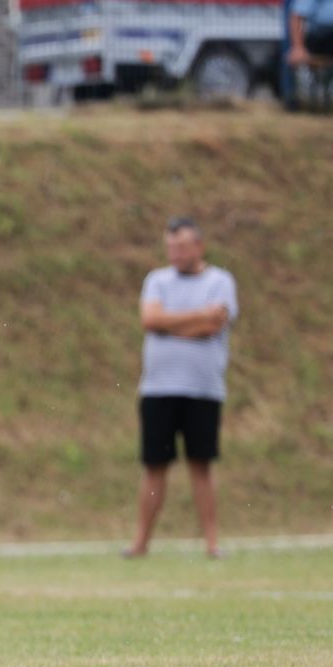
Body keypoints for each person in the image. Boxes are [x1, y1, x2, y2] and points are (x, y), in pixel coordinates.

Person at [125, 219, 238, 560]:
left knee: (201, 464)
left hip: (203, 390)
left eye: (182, 247)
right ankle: (141, 542)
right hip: (158, 389)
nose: (175, 253)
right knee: (155, 465)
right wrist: (196, 317)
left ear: (199, 247)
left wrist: (170, 323)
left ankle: (212, 543)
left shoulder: (220, 281)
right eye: (170, 247)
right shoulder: (156, 280)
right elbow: (150, 321)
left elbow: (213, 325)